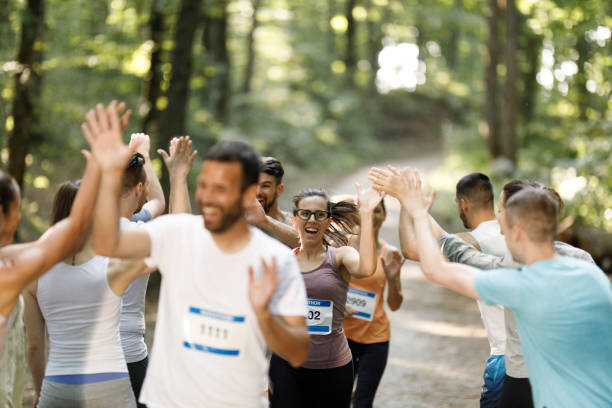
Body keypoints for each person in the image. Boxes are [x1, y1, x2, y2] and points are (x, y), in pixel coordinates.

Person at [90, 132, 310, 407]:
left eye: (220, 189)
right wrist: (109, 176)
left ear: (247, 193)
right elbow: (106, 241)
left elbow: (299, 351)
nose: (207, 197)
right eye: (204, 185)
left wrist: (265, 315)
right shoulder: (178, 234)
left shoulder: (276, 260)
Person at [369, 166, 612, 408]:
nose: (499, 230)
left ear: (516, 231)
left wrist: (418, 213)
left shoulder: (519, 282)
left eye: (502, 220)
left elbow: (436, 269)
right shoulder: (589, 270)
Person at [0, 101, 131, 355]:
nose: (18, 219)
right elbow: (72, 236)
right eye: (17, 210)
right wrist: (98, 163)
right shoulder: (8, 269)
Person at [23, 180, 152, 408]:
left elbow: (34, 345)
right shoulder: (113, 264)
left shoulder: (34, 272)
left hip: (58, 386)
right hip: (109, 386)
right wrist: (176, 177)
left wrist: (40, 391)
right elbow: (170, 247)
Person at [268, 186, 383, 408]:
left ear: (328, 221)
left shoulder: (341, 256)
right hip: (286, 364)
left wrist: (367, 214)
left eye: (320, 214)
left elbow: (366, 268)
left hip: (332, 368)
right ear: (294, 220)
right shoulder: (281, 261)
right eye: (305, 213)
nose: (312, 219)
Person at [118, 133, 165, 407]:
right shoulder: (143, 234)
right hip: (130, 352)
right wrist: (145, 156)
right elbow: (159, 202)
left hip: (88, 355)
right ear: (138, 190)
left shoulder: (83, 232)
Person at [342, 198, 404, 408]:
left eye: (378, 211)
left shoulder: (391, 254)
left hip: (375, 339)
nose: (374, 215)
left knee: (363, 402)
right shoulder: (344, 245)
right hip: (343, 337)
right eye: (369, 211)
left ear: (385, 215)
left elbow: (394, 304)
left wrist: (393, 278)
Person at [453, 173, 507, 408]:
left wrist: (411, 206)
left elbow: (414, 251)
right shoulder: (520, 236)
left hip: (504, 357)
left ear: (463, 204)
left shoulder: (472, 241)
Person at [245, 157, 300, 247]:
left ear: (279, 190)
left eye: (265, 186)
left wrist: (265, 221)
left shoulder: (294, 223)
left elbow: (309, 245)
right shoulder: (238, 220)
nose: (258, 192)